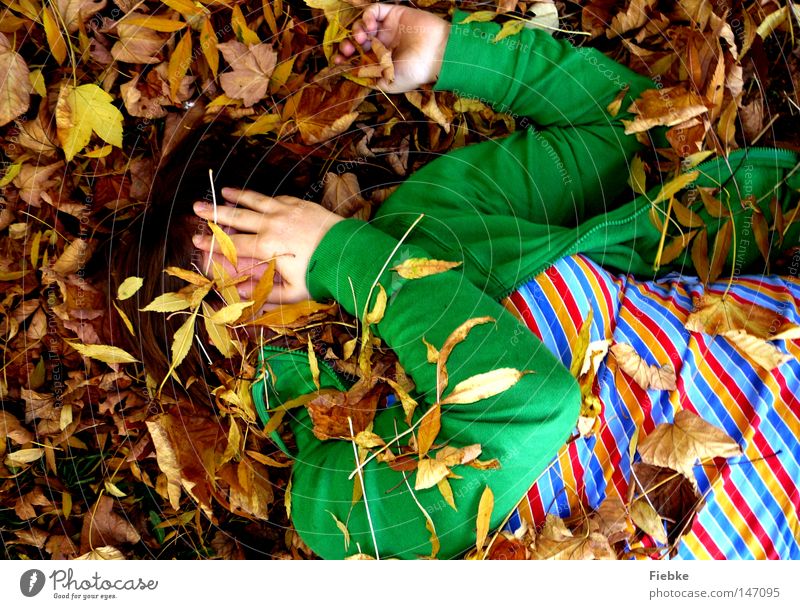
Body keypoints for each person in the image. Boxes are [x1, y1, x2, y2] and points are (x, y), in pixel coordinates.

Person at [117, 3, 800, 559]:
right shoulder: (331, 501)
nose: (264, 281)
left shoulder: (430, 222)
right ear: (210, 363)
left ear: (296, 205)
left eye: (254, 231)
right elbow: (527, 412)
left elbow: (639, 134)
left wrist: (451, 55)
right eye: (223, 299)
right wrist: (344, 261)